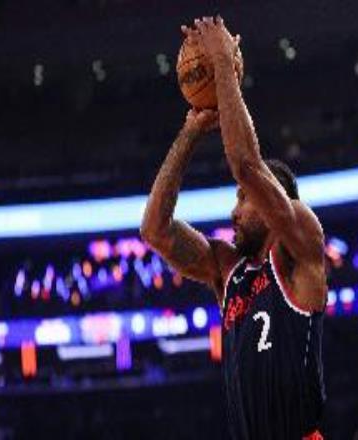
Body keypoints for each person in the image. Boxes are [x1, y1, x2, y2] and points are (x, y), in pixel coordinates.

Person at [140, 16, 327, 440]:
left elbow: (246, 165)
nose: (233, 211)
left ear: (275, 199)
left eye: (244, 199)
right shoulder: (229, 271)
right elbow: (155, 230)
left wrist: (223, 65)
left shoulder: (300, 244)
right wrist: (189, 133)